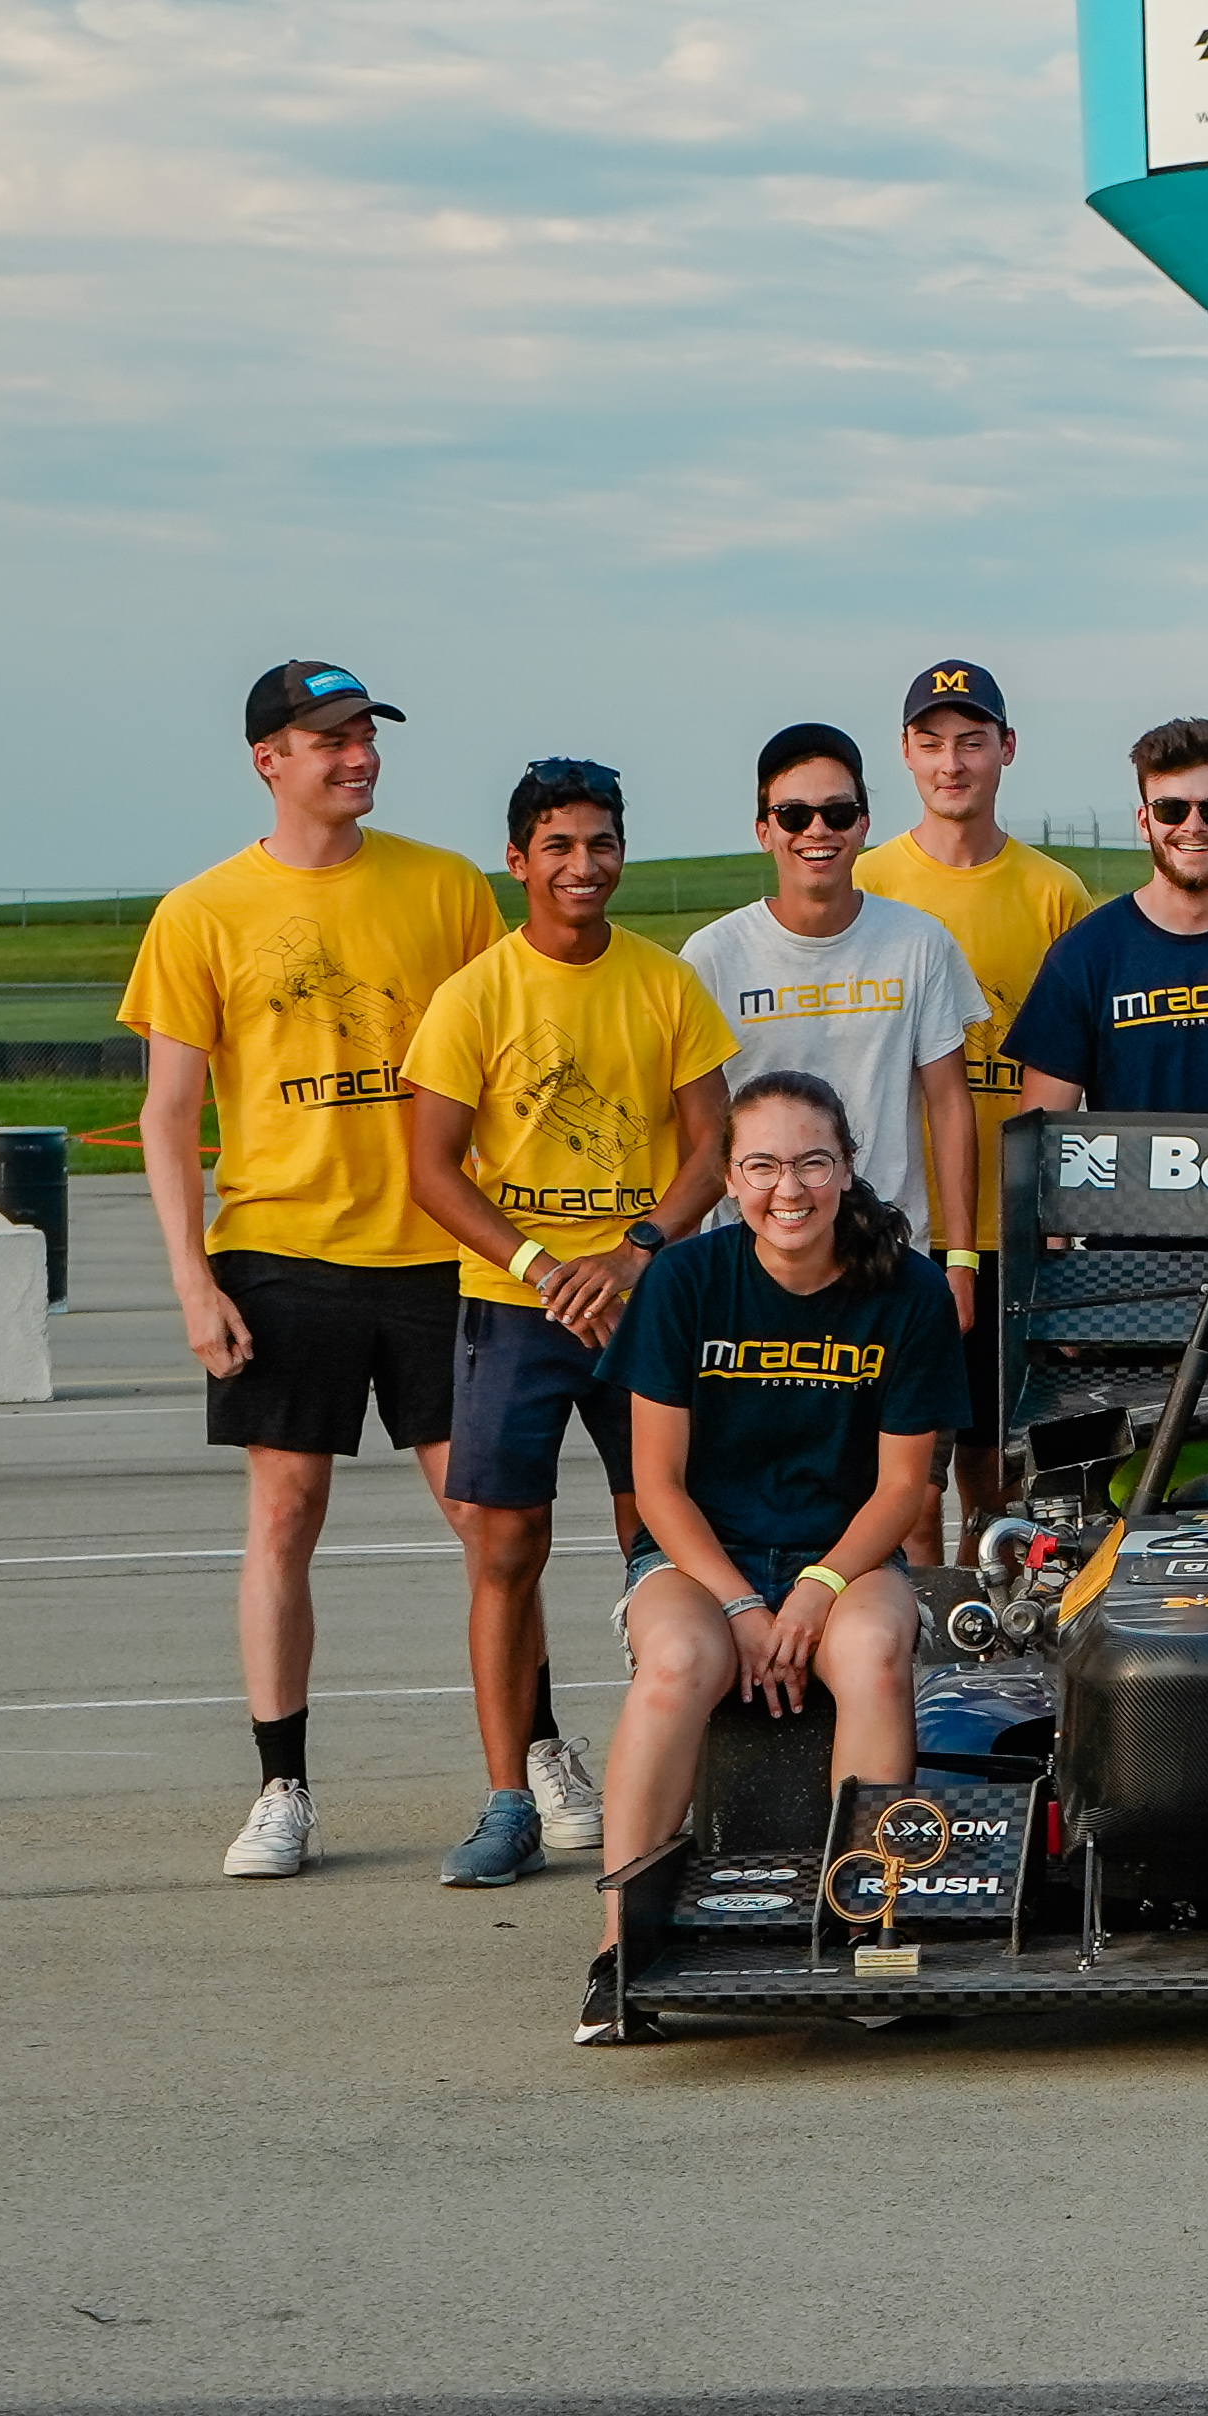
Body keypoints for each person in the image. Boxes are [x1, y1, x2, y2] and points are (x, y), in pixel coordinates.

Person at [121, 663, 512, 1883]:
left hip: (438, 1253)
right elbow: (167, 1110)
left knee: (489, 1522)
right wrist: (193, 1280)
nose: (357, 755)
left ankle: (531, 1760)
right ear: (267, 759)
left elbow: (503, 1055)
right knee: (285, 1515)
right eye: (328, 737)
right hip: (281, 1250)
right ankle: (282, 1785)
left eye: (364, 735)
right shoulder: (201, 913)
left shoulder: (445, 887)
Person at [399, 763, 740, 1891]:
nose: (582, 865)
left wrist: (638, 1250)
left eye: (600, 843)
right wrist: (543, 1263)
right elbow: (431, 1168)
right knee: (504, 1546)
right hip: (518, 1308)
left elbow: (711, 1145)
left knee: (665, 1543)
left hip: (645, 1304)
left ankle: (680, 1790)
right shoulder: (475, 995)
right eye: (558, 846)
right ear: (519, 859)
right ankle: (510, 1803)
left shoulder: (664, 983)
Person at [576, 1069, 965, 2046]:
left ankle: (864, 1925)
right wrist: (745, 1605)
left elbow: (904, 1490)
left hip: (845, 1551)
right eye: (760, 1166)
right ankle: (620, 1948)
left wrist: (822, 1586)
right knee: (678, 1664)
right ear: (727, 1177)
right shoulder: (684, 1280)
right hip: (707, 1555)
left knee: (873, 1654)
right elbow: (657, 1486)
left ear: (845, 1169)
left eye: (809, 1163)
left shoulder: (907, 1290)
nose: (786, 1189)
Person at [853, 657, 1083, 1548]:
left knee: (997, 1472)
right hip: (892, 1221)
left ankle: (994, 1650)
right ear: (906, 754)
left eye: (973, 742)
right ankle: (913, 1651)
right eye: (932, 743)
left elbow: (1070, 1069)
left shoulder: (1050, 892)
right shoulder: (870, 878)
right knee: (907, 1479)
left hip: (1006, 1223)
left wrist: (1056, 1208)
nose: (953, 763)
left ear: (1006, 750)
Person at [679, 724, 983, 1280]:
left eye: (837, 814)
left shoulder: (920, 943)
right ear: (763, 831)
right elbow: (699, 1127)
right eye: (793, 815)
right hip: (753, 1252)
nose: (817, 830)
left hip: (886, 1250)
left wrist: (959, 1260)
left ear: (863, 825)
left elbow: (948, 1104)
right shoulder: (713, 955)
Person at [1011, 717, 1208, 1117]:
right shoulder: (1083, 957)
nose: (1193, 826)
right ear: (1145, 822)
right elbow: (1042, 1139)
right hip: (1126, 1182)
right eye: (1171, 809)